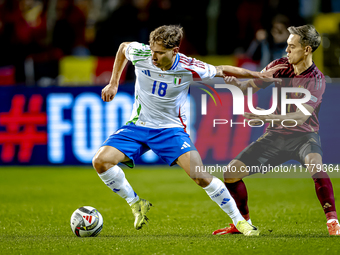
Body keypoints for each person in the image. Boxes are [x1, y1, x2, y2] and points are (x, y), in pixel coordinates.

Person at [92, 25, 284, 236]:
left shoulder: (189, 66)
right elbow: (122, 48)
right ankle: (136, 203)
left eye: (160, 52)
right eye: (152, 50)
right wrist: (113, 84)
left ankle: (240, 222)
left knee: (200, 176)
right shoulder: (142, 53)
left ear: (174, 51)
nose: (153, 56)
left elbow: (222, 70)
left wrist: (257, 74)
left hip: (170, 130)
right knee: (100, 161)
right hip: (138, 125)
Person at [213, 24, 340, 236]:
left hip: (304, 136)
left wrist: (266, 116)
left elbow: (301, 116)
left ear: (307, 50)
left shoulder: (316, 79)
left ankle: (333, 221)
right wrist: (237, 84)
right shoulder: (280, 66)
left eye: (292, 47)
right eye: (287, 46)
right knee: (231, 173)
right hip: (275, 136)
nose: (286, 51)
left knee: (315, 166)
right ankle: (242, 223)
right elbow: (250, 86)